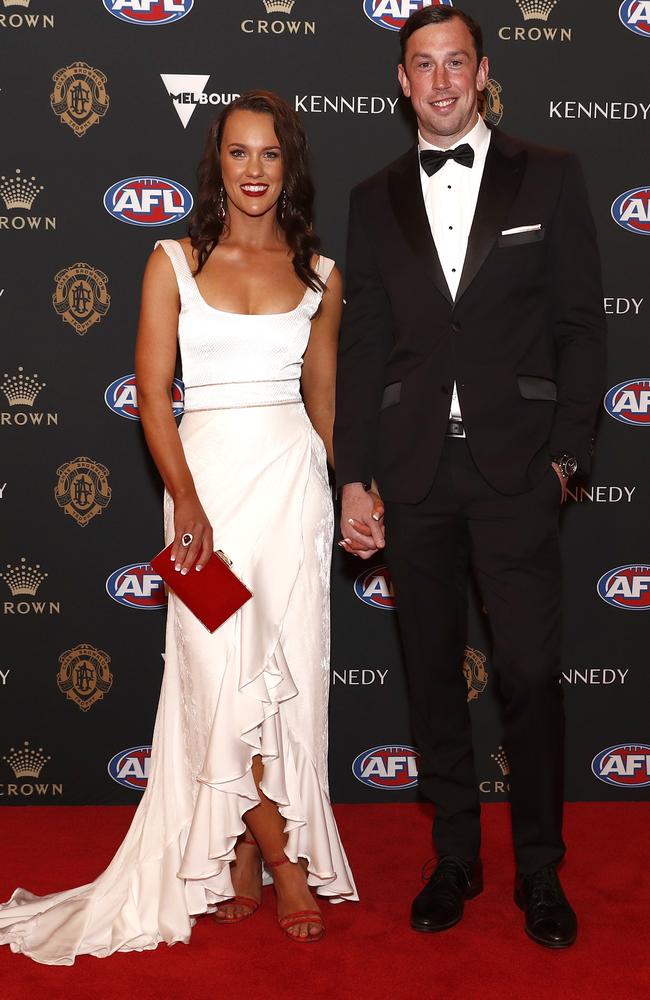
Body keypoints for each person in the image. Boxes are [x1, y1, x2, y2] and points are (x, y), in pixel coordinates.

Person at [0, 90, 358, 964]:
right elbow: (152, 393)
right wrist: (185, 498)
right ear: (217, 162)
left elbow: (325, 398)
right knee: (217, 670)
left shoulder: (321, 275)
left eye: (271, 154)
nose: (255, 171)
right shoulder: (173, 259)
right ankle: (286, 862)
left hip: (292, 492)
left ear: (290, 165)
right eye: (239, 153)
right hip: (201, 494)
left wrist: (349, 488)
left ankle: (240, 853)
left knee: (283, 675)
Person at [334, 6, 606, 949]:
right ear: (401, 82)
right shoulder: (372, 199)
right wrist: (354, 475)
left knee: (530, 675)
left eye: (457, 62)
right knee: (430, 676)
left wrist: (568, 458)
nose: (441, 80)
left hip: (517, 470)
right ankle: (454, 854)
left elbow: (581, 326)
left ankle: (540, 870)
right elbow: (362, 346)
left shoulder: (555, 174)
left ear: (483, 72)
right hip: (412, 474)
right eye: (423, 65)